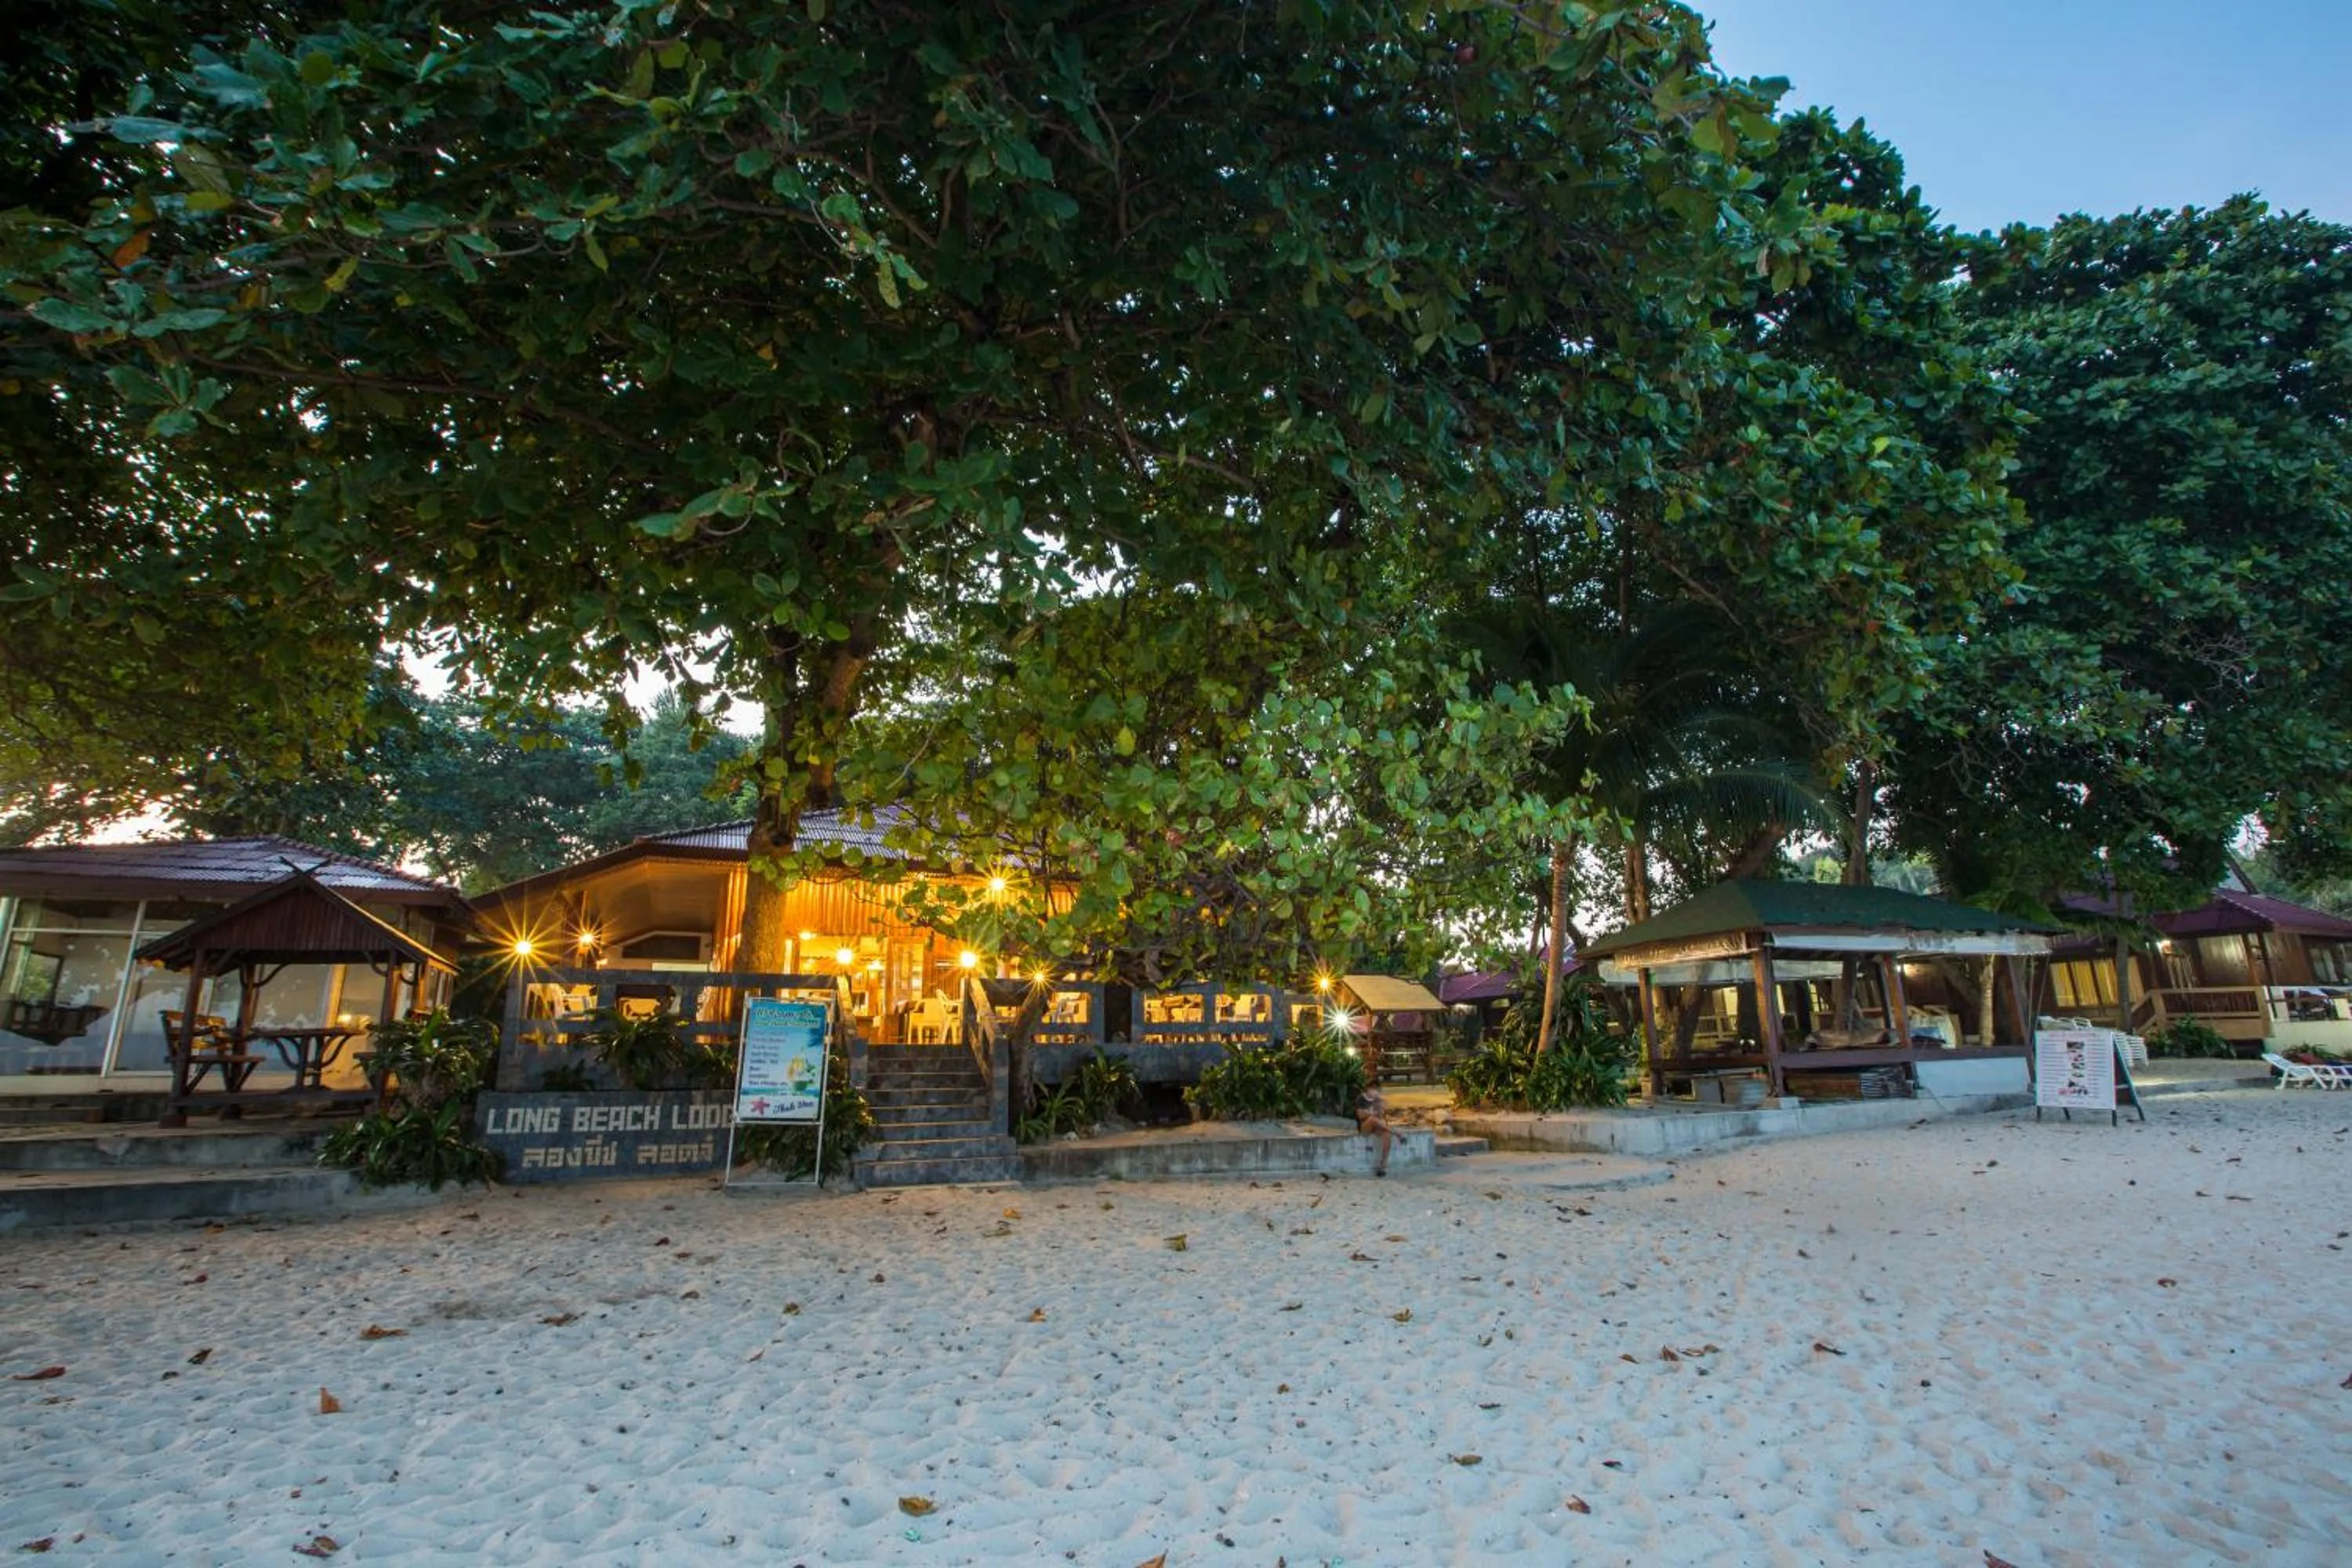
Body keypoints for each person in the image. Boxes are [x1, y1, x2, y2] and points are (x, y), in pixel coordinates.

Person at [1356, 1080, 1392, 1177]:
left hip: (1378, 1126)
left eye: (1377, 1089)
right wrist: (1371, 1113)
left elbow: (1381, 1116)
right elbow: (1360, 1115)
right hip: (1365, 1126)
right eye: (1374, 1089)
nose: (1375, 1091)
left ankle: (1383, 1164)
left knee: (1387, 1135)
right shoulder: (1361, 1099)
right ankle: (1396, 1133)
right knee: (1372, 1119)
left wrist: (1380, 1104)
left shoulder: (1378, 1100)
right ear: (1368, 1088)